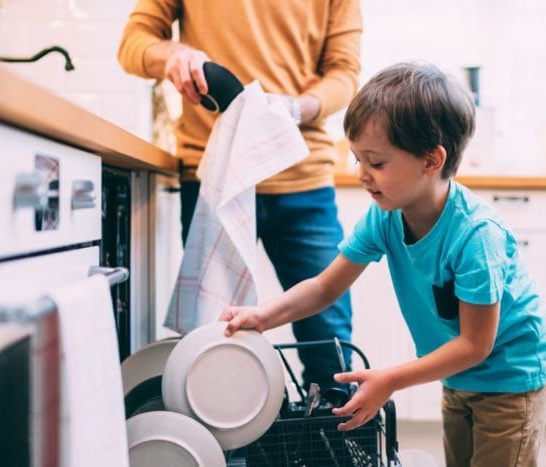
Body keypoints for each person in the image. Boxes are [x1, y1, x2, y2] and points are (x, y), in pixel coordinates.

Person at [221, 62, 546, 467]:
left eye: (376, 163)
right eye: (358, 159)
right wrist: (263, 316)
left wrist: (390, 380)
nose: (362, 175)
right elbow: (326, 287)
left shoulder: (475, 237)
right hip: (459, 375)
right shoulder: (387, 215)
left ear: (432, 161)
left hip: (509, 377)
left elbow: (475, 344)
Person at [117, 1, 362, 390]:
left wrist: (295, 108)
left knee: (328, 347)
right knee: (213, 339)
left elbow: (344, 74)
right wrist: (172, 55)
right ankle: (220, 450)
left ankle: (330, 441)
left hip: (302, 178)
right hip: (215, 176)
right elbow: (133, 42)